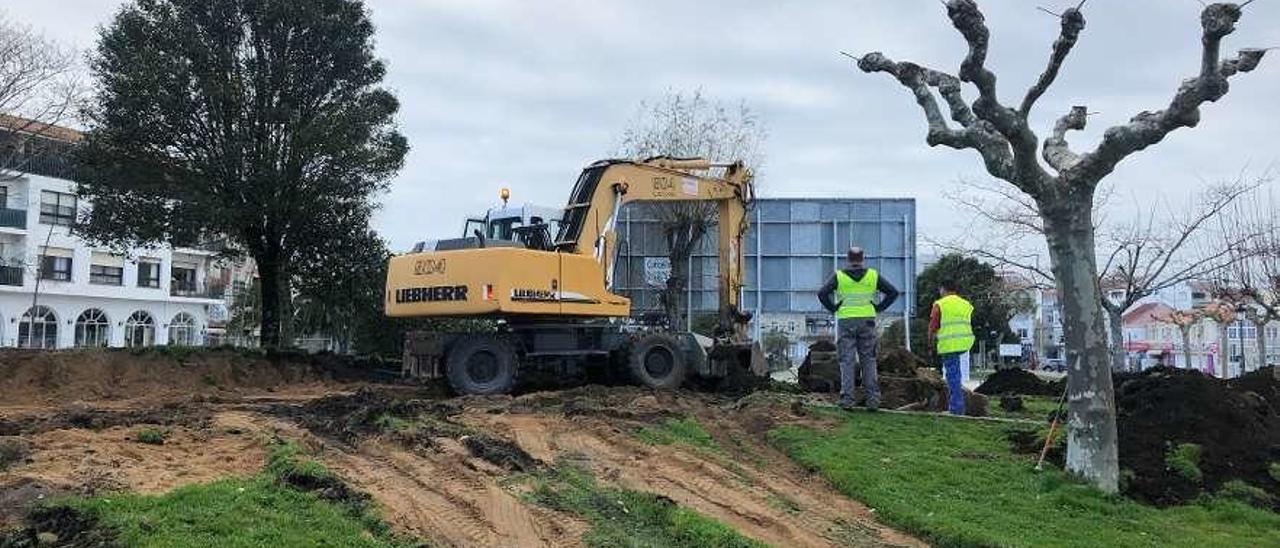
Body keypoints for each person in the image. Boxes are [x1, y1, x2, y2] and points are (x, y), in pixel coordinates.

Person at [817, 246, 899, 410]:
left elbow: (822, 293)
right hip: (867, 321)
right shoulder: (872, 275)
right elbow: (893, 292)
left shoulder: (839, 276)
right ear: (862, 259)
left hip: (846, 320)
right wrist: (878, 307)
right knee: (868, 359)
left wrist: (834, 308)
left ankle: (847, 399)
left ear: (848, 259)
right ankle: (873, 400)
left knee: (846, 360)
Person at [928, 279, 975, 416]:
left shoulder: (940, 304)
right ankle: (957, 404)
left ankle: (956, 408)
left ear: (943, 289)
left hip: (949, 343)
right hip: (965, 342)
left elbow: (933, 326)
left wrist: (930, 343)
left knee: (952, 375)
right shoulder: (966, 304)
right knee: (957, 374)